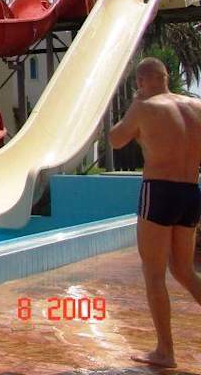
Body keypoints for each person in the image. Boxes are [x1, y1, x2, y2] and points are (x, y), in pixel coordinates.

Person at [109, 57, 201, 369]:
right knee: (184, 271)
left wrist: (134, 109)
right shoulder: (196, 106)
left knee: (154, 273)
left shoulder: (144, 107)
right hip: (190, 192)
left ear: (140, 82)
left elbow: (116, 139)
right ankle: (164, 350)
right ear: (166, 77)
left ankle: (165, 351)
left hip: (159, 191)